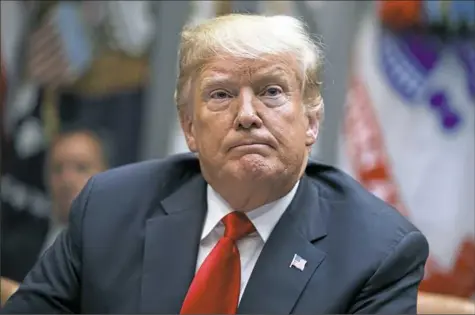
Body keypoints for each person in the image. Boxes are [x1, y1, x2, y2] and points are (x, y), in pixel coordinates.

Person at [2, 14, 429, 314]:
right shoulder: (110, 207)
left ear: (312, 122)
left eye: (272, 91)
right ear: (189, 128)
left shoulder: (377, 252)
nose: (247, 115)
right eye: (221, 95)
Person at [1, 128, 108, 307]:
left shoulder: (124, 249)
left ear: (108, 174)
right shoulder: (13, 248)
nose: (67, 179)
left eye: (81, 167)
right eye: (58, 169)